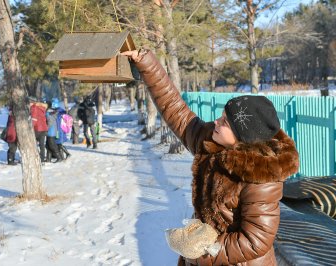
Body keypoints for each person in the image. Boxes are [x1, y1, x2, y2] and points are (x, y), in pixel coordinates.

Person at [122, 49, 299, 266]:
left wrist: (205, 251)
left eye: (224, 121)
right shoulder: (213, 145)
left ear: (242, 137)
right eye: (221, 117)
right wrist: (146, 63)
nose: (216, 122)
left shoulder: (262, 177)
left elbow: (255, 241)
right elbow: (176, 110)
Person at [29, 97, 48, 162]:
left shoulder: (34, 108)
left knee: (33, 144)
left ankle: (35, 158)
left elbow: (34, 119)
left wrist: (30, 128)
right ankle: (42, 158)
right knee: (42, 144)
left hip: (37, 129)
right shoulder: (42, 108)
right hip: (43, 128)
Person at [46, 98, 64, 163]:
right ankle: (48, 158)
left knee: (52, 145)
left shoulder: (49, 112)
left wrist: (46, 128)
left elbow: (50, 121)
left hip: (51, 131)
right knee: (47, 145)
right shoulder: (52, 111)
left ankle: (59, 157)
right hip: (52, 130)